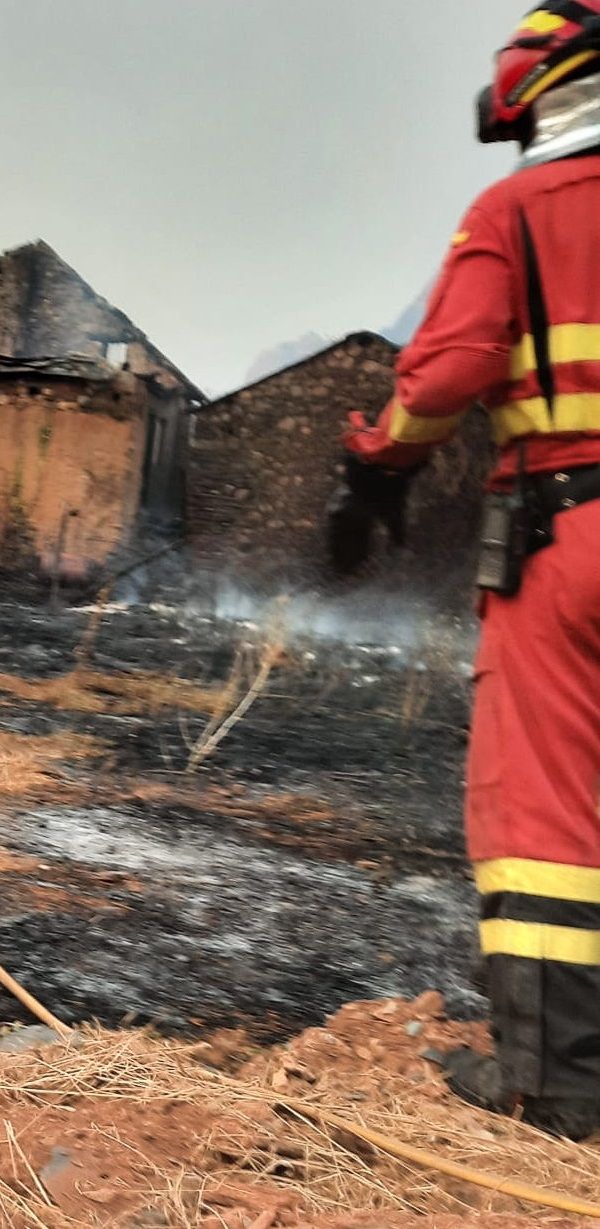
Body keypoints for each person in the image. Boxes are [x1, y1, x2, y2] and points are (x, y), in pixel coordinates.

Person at [336, 1, 600, 1139]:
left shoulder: (520, 209)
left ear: (527, 93)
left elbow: (447, 373)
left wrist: (375, 472)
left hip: (568, 536)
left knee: (545, 811)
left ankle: (561, 1084)